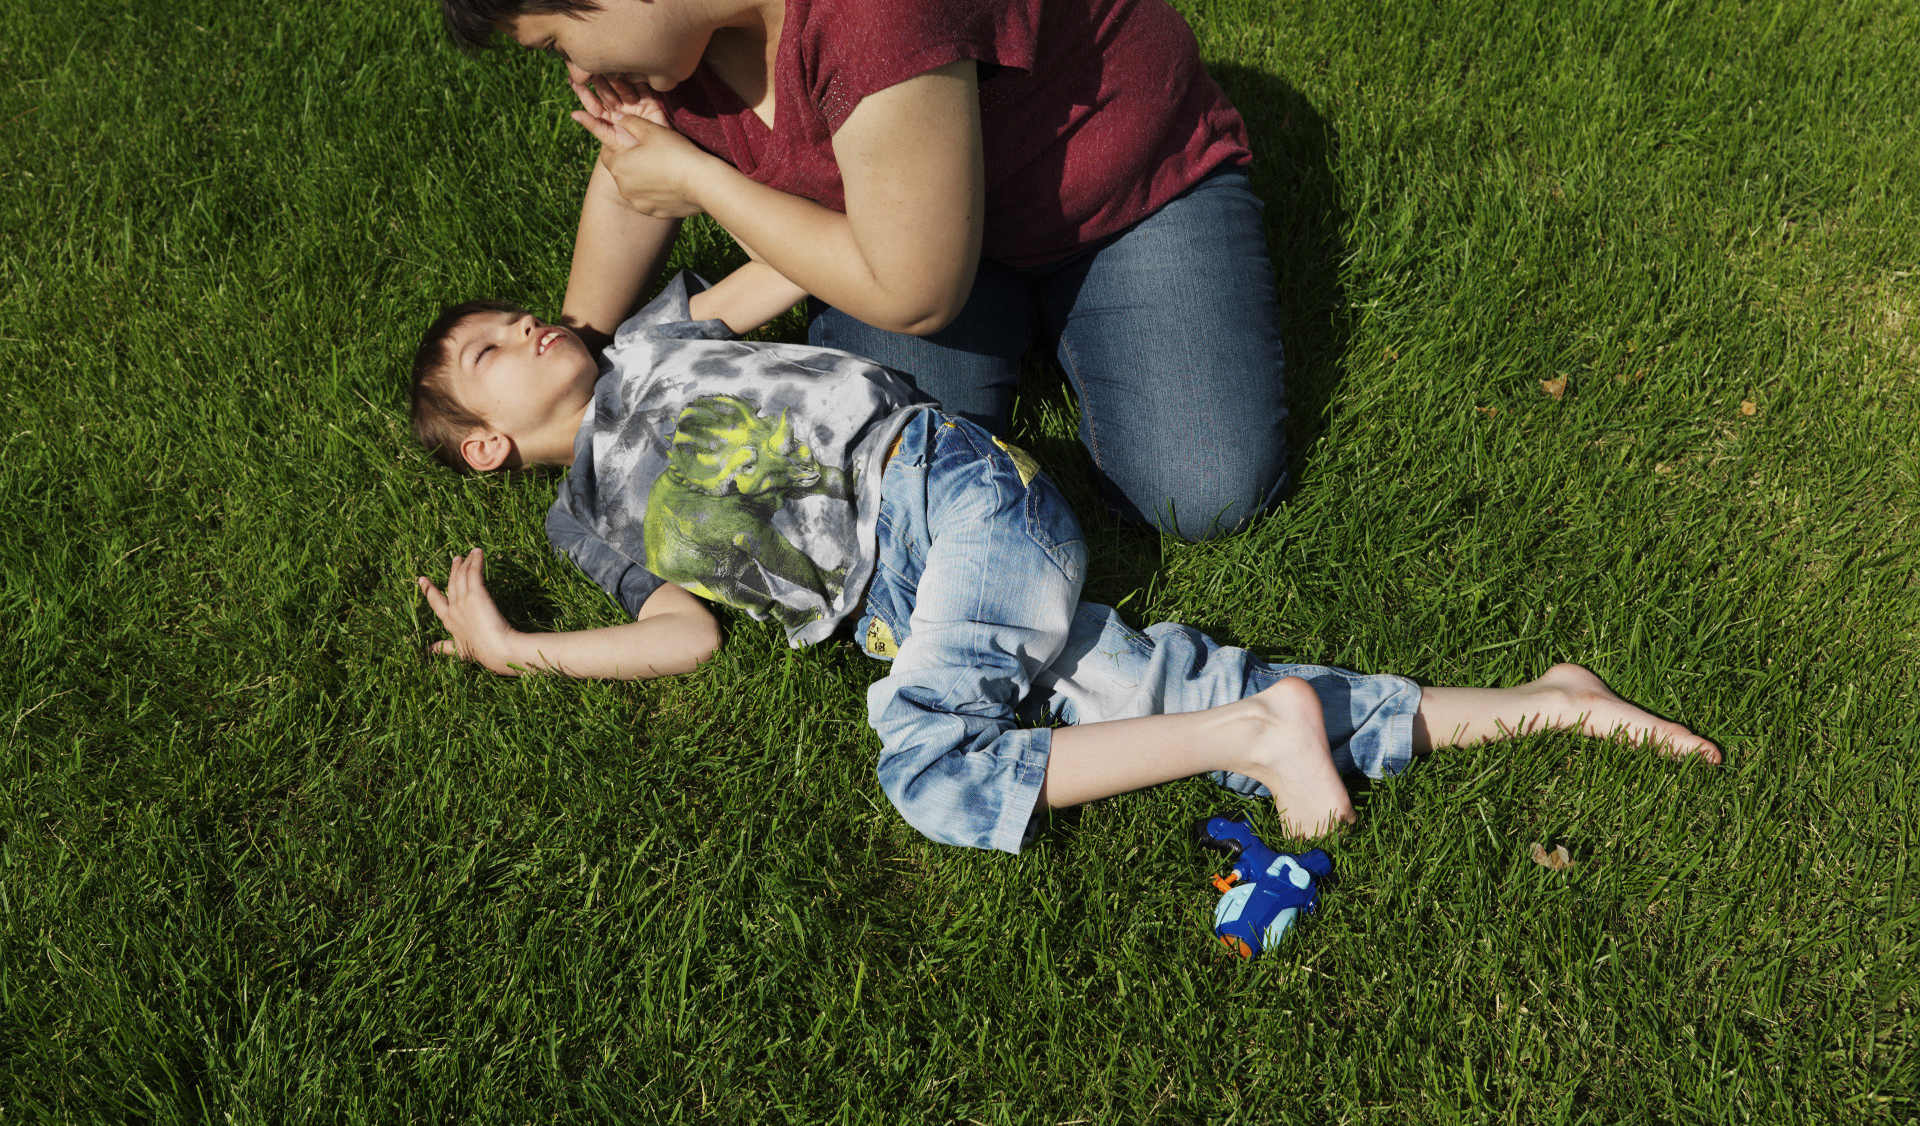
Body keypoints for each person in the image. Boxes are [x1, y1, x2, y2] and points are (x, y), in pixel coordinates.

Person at [408, 262, 1722, 854]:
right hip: (904, 606)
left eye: (512, 315)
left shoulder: (654, 337)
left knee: (927, 769)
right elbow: (683, 635)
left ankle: (1254, 736)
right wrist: (517, 649)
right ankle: (1549, 702)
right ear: (482, 447)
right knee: (1165, 693)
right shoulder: (586, 521)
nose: (522, 327)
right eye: (487, 352)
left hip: (947, 490)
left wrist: (683, 167)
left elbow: (791, 262)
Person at [426, 0, 1292, 540]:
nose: (576, 72)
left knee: (1199, 492)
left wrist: (701, 182)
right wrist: (587, 353)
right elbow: (633, 170)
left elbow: (915, 294)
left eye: (557, 41)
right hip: (916, 229)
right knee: (876, 488)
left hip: (1119, 196)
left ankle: (1083, 310)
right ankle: (1020, 319)